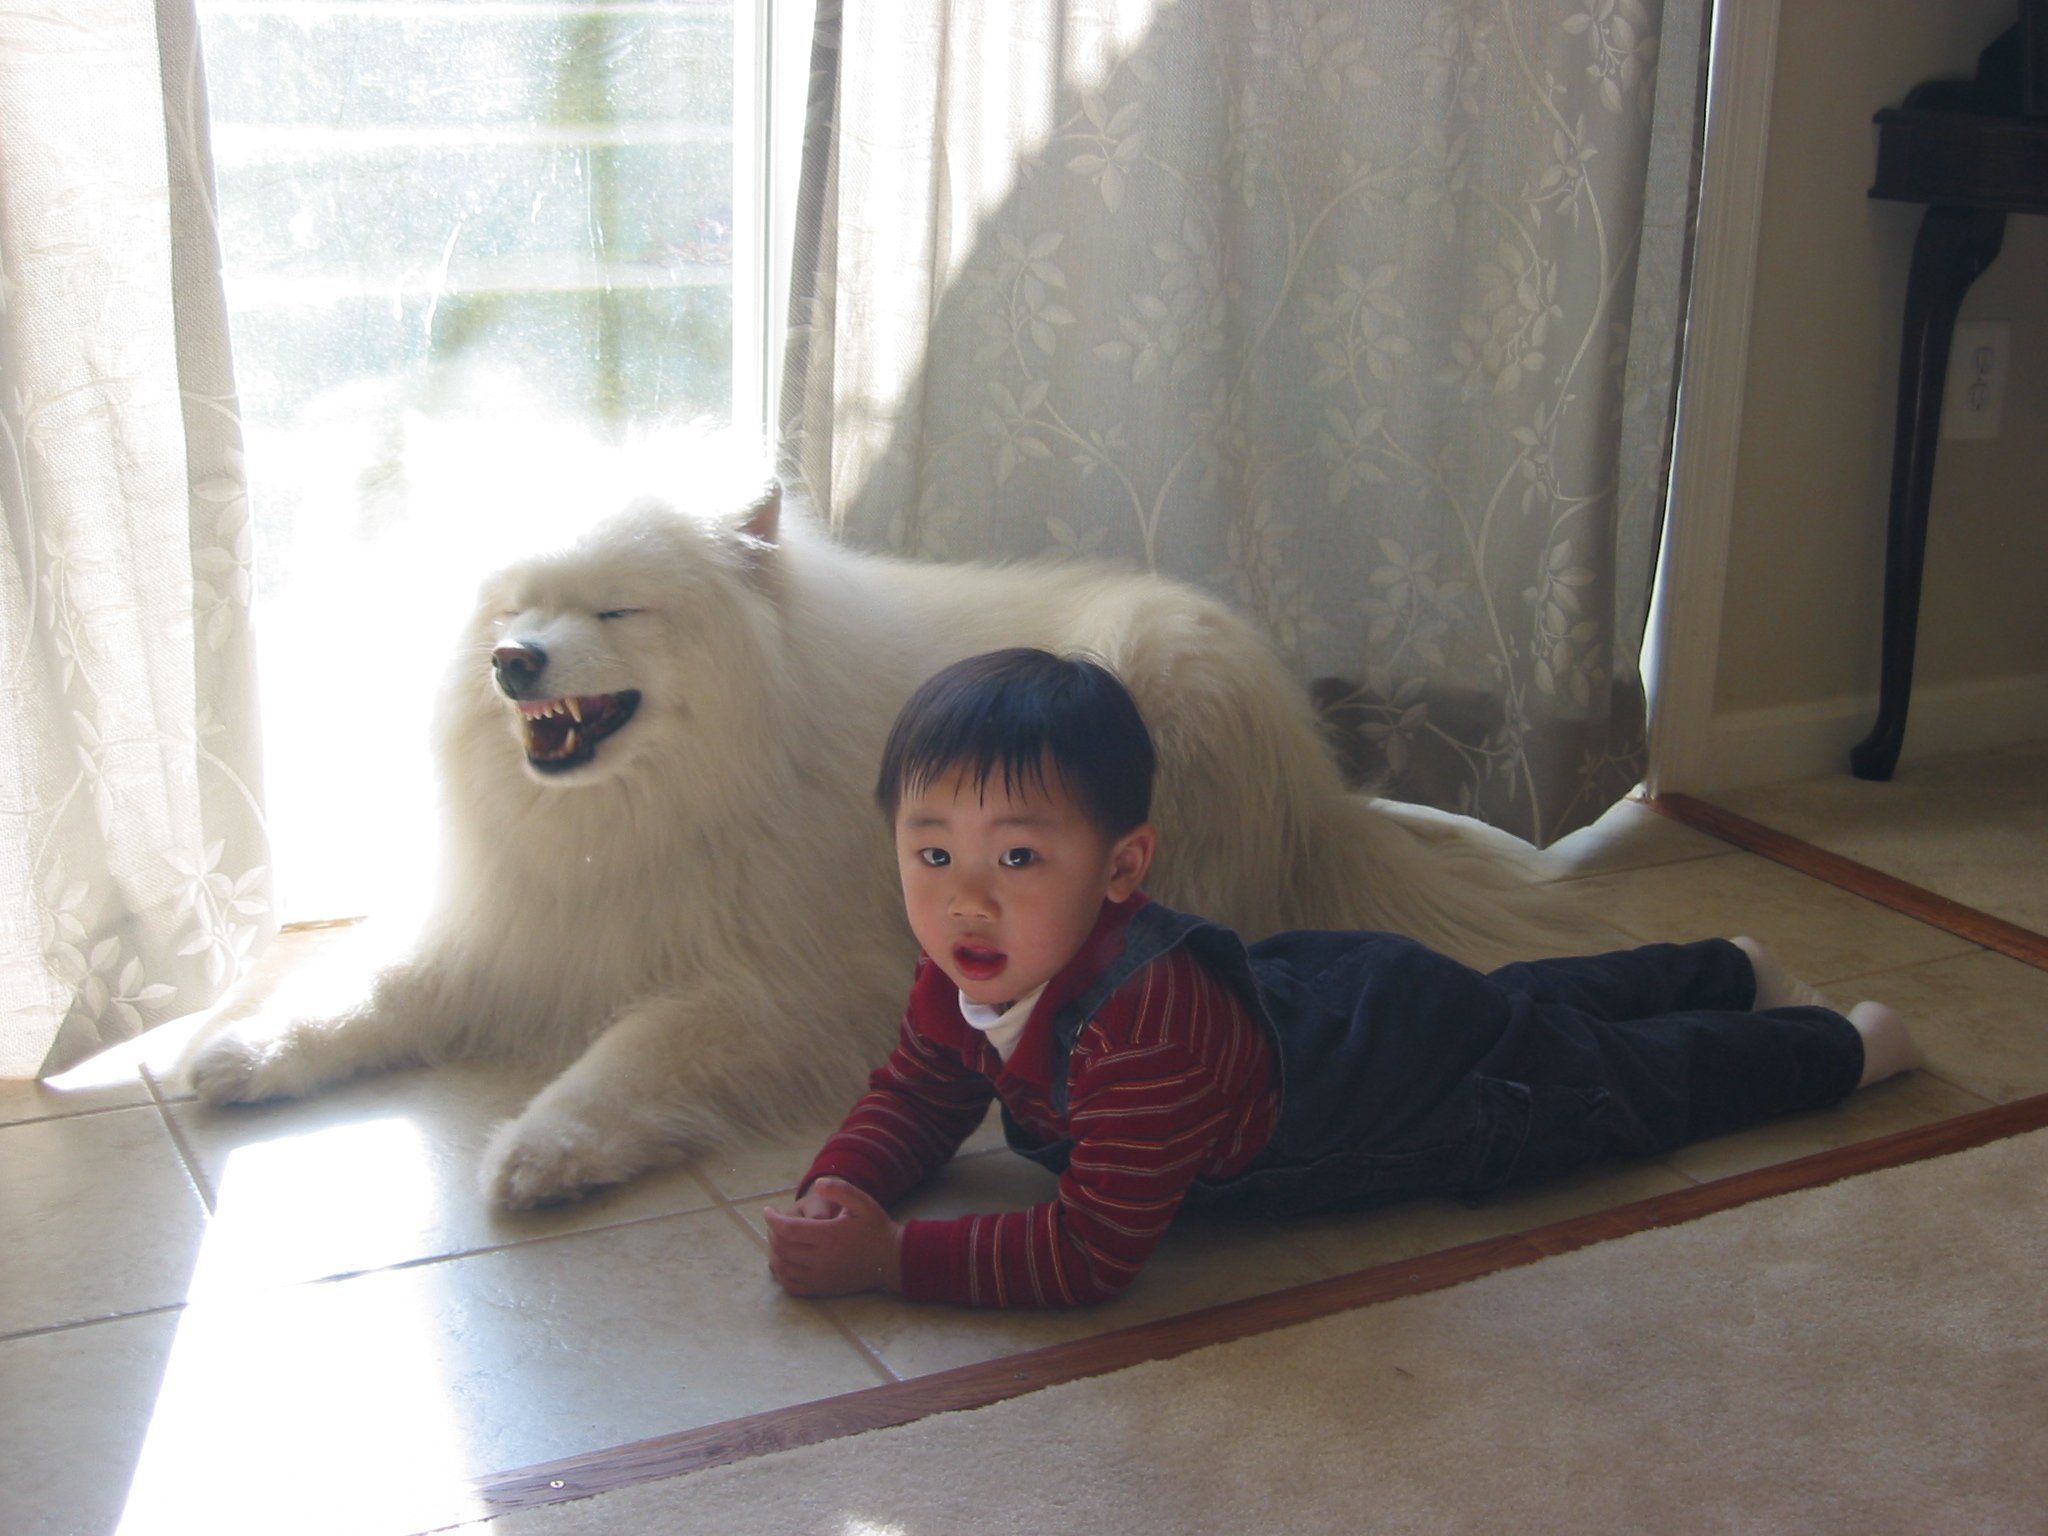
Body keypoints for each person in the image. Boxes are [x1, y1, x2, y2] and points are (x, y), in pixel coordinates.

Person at [763, 649, 1922, 1309]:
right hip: (1334, 996)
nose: (966, 898)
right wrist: (843, 1181)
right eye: (931, 855)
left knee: (1607, 1081)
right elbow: (921, 1090)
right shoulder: (962, 974)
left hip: (1402, 1093)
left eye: (1017, 859)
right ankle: (1727, 965)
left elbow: (1089, 1251)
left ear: (1121, 868)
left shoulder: (1138, 1031)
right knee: (1522, 1004)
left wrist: (890, 1259)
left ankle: (1841, 1049)